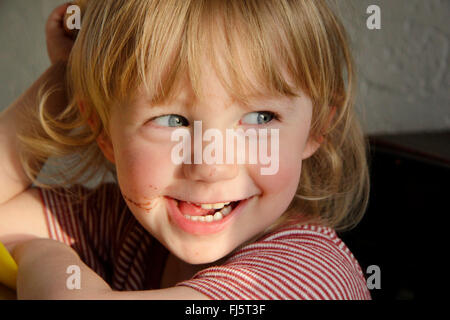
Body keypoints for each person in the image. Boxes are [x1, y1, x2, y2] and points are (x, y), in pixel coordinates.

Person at [0, 0, 371, 299]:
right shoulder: (123, 228)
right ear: (104, 131)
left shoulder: (311, 276)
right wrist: (69, 73)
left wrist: (42, 254)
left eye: (260, 117)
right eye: (172, 120)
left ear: (317, 127)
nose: (211, 165)